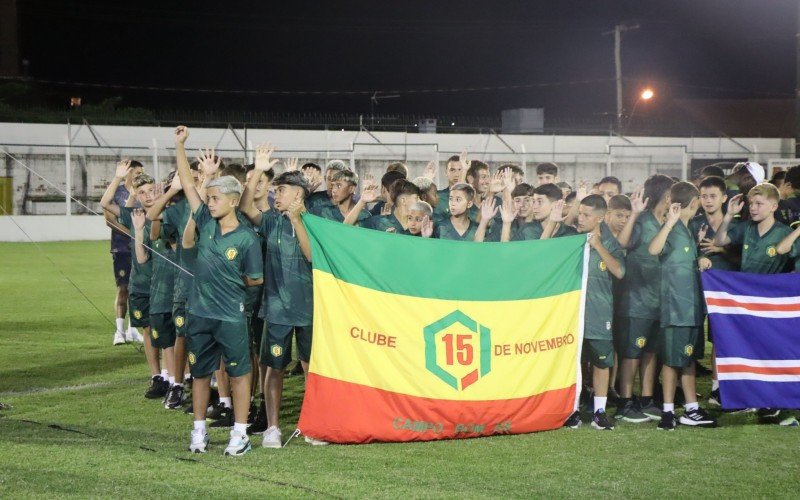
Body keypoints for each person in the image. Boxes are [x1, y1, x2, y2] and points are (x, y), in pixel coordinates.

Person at [174, 126, 264, 456]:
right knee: (199, 373)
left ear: (232, 200)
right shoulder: (206, 222)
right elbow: (186, 185)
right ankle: (199, 431)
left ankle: (239, 433)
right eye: (208, 198)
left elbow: (255, 279)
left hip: (231, 317)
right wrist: (180, 146)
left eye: (214, 198)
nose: (208, 203)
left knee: (240, 374)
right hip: (200, 314)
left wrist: (230, 284)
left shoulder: (247, 239)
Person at [240, 144, 327, 448]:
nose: (276, 195)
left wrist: (298, 219)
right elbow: (245, 207)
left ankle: (313, 425)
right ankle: (273, 427)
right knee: (274, 368)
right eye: (275, 190)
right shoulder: (269, 221)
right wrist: (258, 169)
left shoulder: (314, 222)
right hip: (275, 309)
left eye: (282, 191)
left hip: (308, 308)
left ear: (298, 196)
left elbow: (312, 256)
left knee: (310, 370)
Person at [714, 182, 795, 422]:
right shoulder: (746, 227)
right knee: (745, 350)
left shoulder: (783, 232)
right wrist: (728, 215)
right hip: (745, 301)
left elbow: (787, 256)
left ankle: (773, 402)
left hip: (771, 306)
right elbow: (719, 240)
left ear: (773, 206)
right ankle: (747, 398)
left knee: (770, 352)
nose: (753, 208)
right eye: (751, 204)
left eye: (759, 204)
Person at [648, 182, 716, 430]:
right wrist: (668, 223)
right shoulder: (672, 227)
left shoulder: (687, 230)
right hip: (676, 309)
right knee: (671, 361)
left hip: (691, 309)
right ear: (695, 202)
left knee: (687, 360)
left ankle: (691, 408)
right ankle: (667, 411)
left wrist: (700, 257)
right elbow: (654, 249)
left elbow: (683, 259)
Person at [100, 160, 168, 399]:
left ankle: (173, 377)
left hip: (165, 286)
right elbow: (105, 204)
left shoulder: (167, 214)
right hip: (141, 284)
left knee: (167, 332)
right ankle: (157, 376)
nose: (147, 195)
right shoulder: (133, 214)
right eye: (142, 192)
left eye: (151, 191)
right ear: (136, 195)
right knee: (148, 331)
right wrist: (118, 178)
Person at [614, 174, 676, 422]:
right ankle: (625, 402)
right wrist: (634, 215)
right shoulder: (642, 221)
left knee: (651, 352)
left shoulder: (668, 221)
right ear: (667, 195)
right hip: (637, 299)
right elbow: (623, 242)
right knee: (632, 353)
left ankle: (647, 399)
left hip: (659, 301)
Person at [561, 195, 625, 430]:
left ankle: (599, 411)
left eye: (587, 215)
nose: (581, 217)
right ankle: (572, 409)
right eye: (581, 212)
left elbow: (619, 272)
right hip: (572, 312)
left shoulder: (608, 242)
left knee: (601, 362)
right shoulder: (569, 238)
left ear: (599, 218)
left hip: (599, 312)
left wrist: (598, 245)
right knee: (573, 361)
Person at [687, 175, 737, 407]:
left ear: (724, 198)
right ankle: (683, 388)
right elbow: (684, 251)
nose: (707, 200)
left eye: (713, 196)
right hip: (696, 288)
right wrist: (699, 256)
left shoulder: (736, 224)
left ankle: (718, 388)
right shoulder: (694, 223)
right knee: (690, 337)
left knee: (721, 338)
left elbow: (741, 258)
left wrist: (722, 251)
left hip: (725, 288)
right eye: (704, 196)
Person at [132, 202, 178, 408]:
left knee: (180, 341)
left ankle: (180, 382)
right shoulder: (153, 231)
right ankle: (170, 382)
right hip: (159, 296)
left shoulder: (175, 229)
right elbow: (142, 259)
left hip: (178, 294)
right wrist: (139, 230)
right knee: (167, 342)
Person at [106, 160, 144, 345]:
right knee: (123, 289)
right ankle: (119, 331)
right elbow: (109, 220)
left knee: (137, 289)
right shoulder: (118, 192)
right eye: (137, 174)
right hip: (121, 247)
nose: (139, 177)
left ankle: (132, 329)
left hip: (140, 248)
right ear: (127, 173)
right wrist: (134, 233)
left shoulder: (142, 193)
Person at [357, 179, 421, 233]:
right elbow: (348, 230)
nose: (420, 202)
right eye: (416, 198)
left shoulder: (419, 227)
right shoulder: (380, 222)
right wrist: (362, 201)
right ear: (403, 201)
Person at [434, 153, 468, 220]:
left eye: (460, 170)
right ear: (446, 172)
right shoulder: (437, 196)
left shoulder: (470, 197)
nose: (457, 174)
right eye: (452, 170)